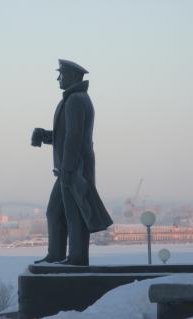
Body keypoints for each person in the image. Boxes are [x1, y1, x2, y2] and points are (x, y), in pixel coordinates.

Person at [31, 59, 113, 266]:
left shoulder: (76, 100)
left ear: (74, 77)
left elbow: (74, 138)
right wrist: (44, 135)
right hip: (69, 167)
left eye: (62, 74)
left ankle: (77, 258)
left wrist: (67, 168)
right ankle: (56, 255)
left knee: (74, 213)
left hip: (74, 169)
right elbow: (64, 135)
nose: (58, 78)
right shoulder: (71, 99)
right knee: (55, 212)